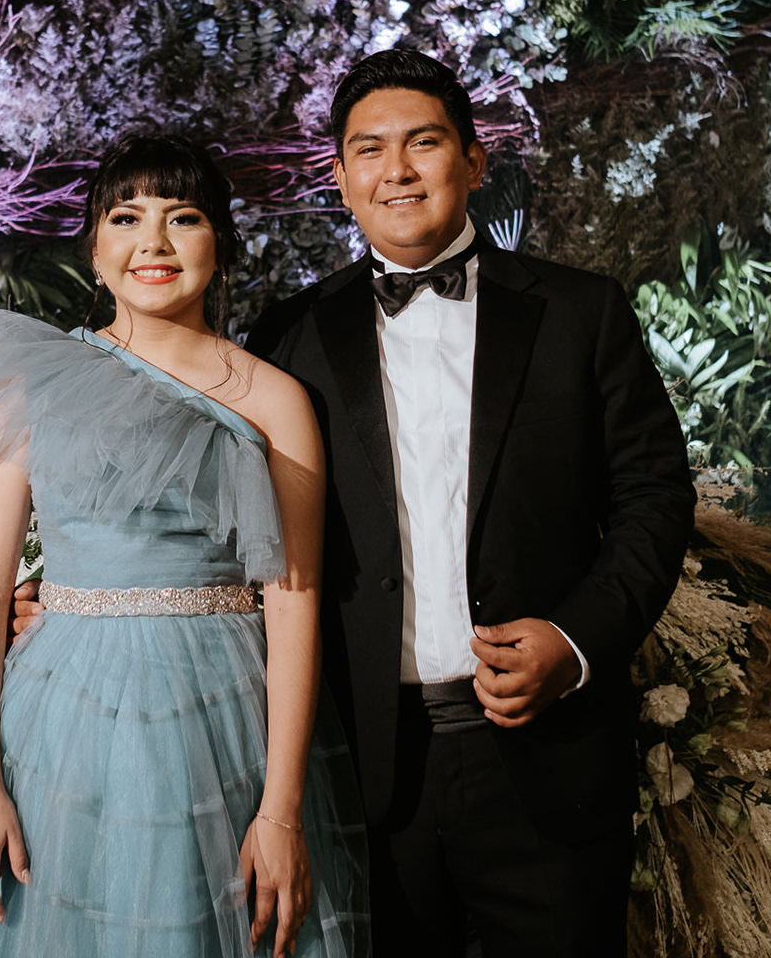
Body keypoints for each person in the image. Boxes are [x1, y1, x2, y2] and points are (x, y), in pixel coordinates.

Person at [242, 50, 695, 955]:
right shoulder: (288, 337)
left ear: (474, 160)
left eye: (424, 143)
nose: (397, 170)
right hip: (366, 767)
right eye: (370, 150)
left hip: (548, 762)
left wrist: (574, 641)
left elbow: (654, 496)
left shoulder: (580, 312)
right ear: (340, 177)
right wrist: (56, 602)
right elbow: (234, 521)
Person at [0, 134, 367, 958]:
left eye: (183, 218)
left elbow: (296, 598)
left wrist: (281, 810)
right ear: (95, 252)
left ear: (220, 244)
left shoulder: (274, 400)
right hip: (61, 713)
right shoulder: (34, 384)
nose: (154, 242)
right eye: (126, 218)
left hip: (223, 714)